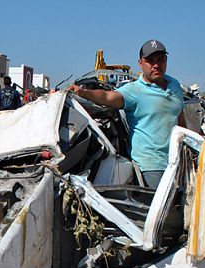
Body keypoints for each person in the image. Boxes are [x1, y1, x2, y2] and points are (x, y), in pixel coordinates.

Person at [66, 39, 186, 188]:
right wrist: (83, 92)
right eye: (150, 60)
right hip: (150, 167)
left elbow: (179, 116)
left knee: (181, 207)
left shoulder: (174, 85)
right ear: (140, 63)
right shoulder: (134, 90)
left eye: (161, 59)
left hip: (177, 162)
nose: (156, 65)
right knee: (157, 210)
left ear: (166, 60)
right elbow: (107, 96)